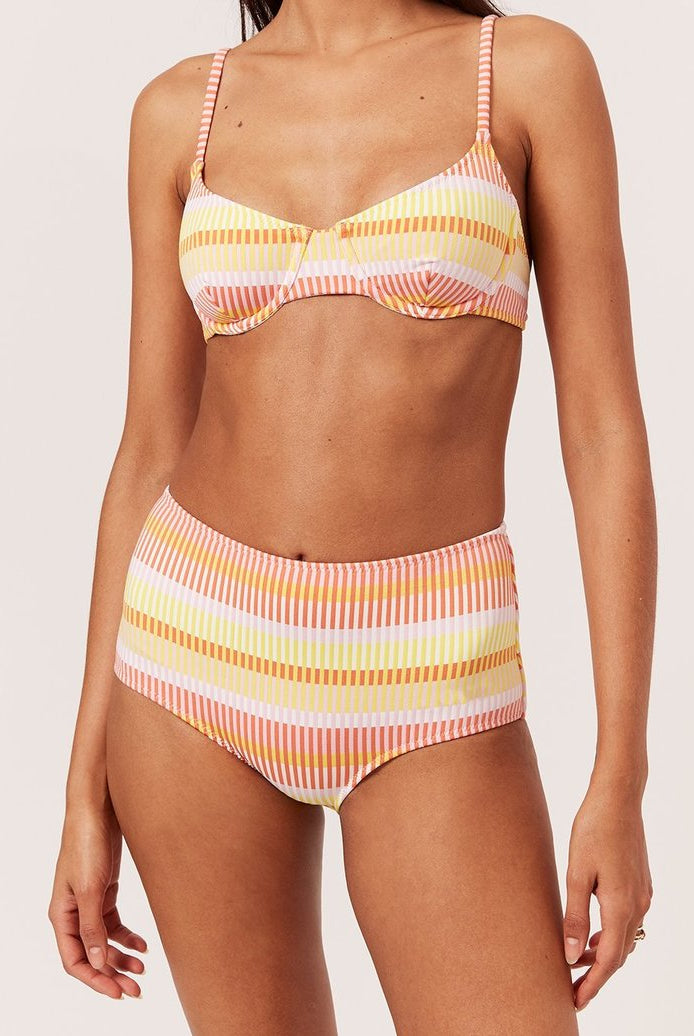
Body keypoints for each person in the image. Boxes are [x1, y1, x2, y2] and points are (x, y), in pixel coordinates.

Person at [48, 2, 656, 1032]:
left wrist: (621, 773)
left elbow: (602, 435)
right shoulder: (181, 110)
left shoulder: (524, 73)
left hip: (432, 670)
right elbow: (147, 447)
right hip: (190, 660)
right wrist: (82, 788)